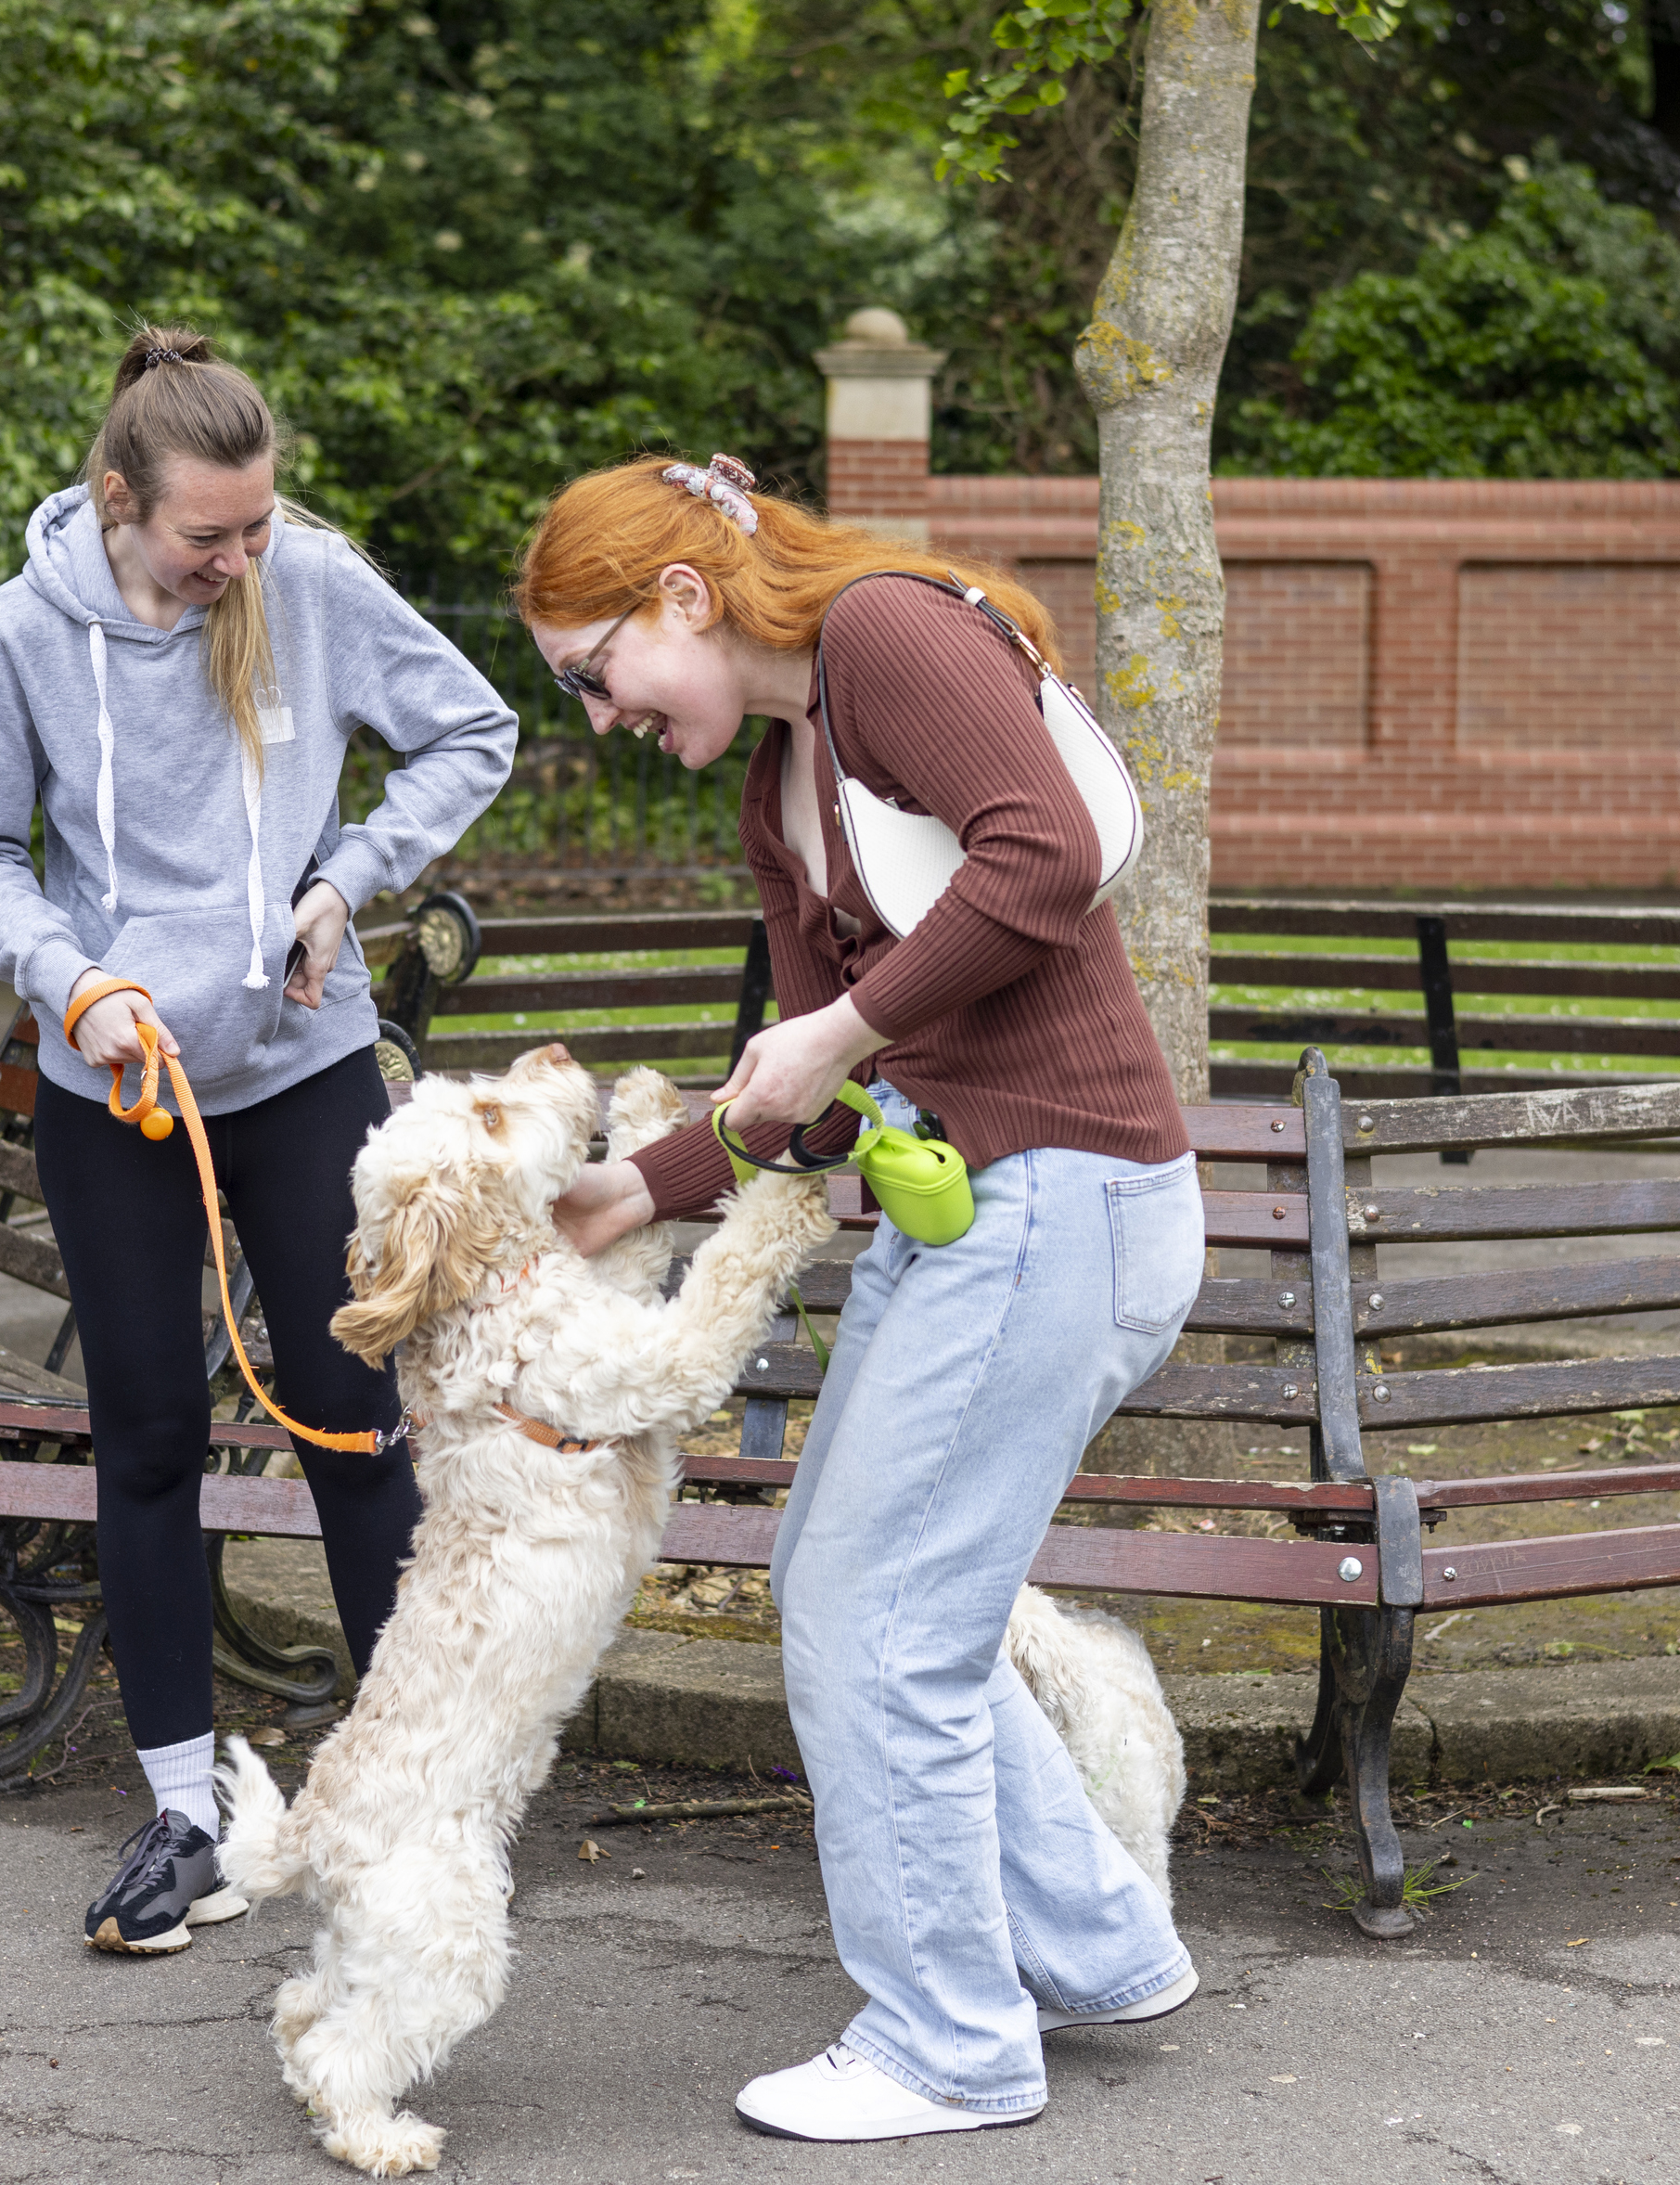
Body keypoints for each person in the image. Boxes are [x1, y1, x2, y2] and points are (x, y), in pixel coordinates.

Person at [514, 454, 1203, 2141]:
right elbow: (808, 1108)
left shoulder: (887, 639)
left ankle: (950, 2041)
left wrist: (844, 1022)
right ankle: (1095, 1948)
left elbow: (1041, 850)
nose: (596, 716)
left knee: (881, 1624)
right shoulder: (780, 788)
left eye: (590, 673)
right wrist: (633, 1190)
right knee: (862, 1595)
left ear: (680, 599)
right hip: (982, 1217)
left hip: (1066, 1197)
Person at [0, 326, 515, 1955]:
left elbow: (476, 730)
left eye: (258, 527)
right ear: (122, 499)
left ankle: (407, 1788)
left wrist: (345, 883)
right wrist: (75, 979)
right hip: (121, 1092)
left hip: (304, 1064)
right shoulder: (19, 633)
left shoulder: (308, 584)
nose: (240, 562)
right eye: (208, 537)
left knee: (342, 1414)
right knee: (154, 1435)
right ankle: (184, 1807)